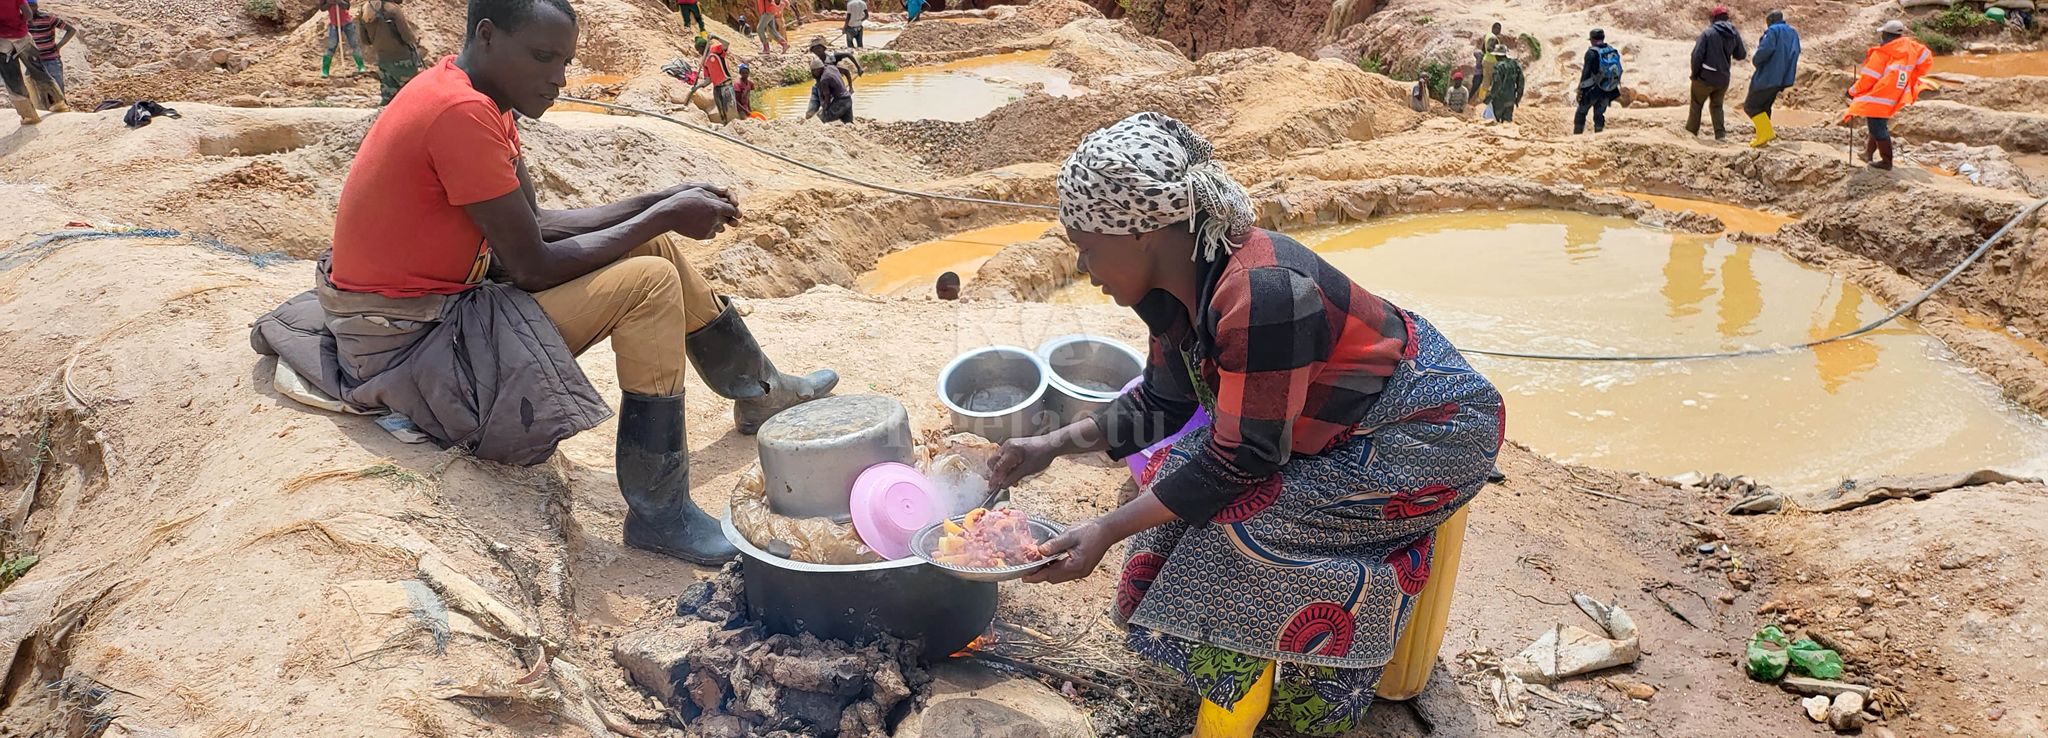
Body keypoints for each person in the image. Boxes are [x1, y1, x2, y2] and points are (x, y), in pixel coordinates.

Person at [249, 0, 839, 565]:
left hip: (441, 310)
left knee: (651, 244)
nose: (557, 77)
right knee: (650, 283)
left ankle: (759, 393)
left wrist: (661, 202)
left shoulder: (479, 96)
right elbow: (530, 265)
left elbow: (534, 225)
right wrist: (663, 214)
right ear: (485, 36)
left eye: (563, 61)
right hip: (412, 345)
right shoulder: (461, 114)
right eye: (541, 57)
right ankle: (659, 513)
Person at [996, 112, 1502, 737]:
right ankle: (1228, 671)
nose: (1083, 264)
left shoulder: (1263, 293)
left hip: (1424, 430)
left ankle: (1298, 698)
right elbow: (1162, 403)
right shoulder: (1174, 293)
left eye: (1089, 245)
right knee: (1170, 477)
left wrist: (1103, 529)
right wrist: (1050, 444)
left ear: (1145, 232)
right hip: (1326, 419)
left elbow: (1243, 461)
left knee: (1234, 535)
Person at [1845, 19, 1931, 171]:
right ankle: (1868, 153)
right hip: (1894, 94)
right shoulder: (1911, 48)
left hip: (1880, 95)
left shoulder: (1883, 53)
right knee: (1877, 125)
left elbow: (1868, 79)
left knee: (1877, 128)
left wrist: (1852, 91)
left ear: (1885, 35)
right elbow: (1926, 60)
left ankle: (1886, 161)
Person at [1687, 6, 1747, 141]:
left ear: (1713, 18)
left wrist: (1695, 74)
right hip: (1723, 78)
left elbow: (1696, 55)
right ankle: (1720, 135)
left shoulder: (1708, 33)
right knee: (1717, 106)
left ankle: (1691, 134)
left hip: (1705, 77)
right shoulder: (1733, 33)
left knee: (1697, 104)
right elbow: (1741, 55)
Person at [1745, 10, 1800, 148]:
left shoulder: (1773, 31)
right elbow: (1795, 52)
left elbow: (1764, 51)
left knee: (1751, 106)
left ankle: (1766, 134)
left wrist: (1756, 60)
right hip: (1782, 78)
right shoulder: (1792, 33)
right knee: (1764, 106)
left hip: (1768, 76)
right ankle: (1762, 137)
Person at [1, 0, 58, 123]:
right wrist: (18, 23)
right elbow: (28, 14)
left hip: (3, 43)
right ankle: (57, 103)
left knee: (13, 79)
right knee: (38, 70)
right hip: (23, 36)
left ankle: (29, 115)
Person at [360, 0, 425, 105]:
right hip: (402, 59)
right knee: (414, 95)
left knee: (388, 100)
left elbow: (365, 40)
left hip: (383, 60)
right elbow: (407, 36)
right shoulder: (392, 9)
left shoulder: (364, 10)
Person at [1575, 28, 1621, 134]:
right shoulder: (1610, 50)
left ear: (1592, 39)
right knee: (1599, 114)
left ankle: (1576, 136)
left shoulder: (1591, 53)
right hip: (1608, 89)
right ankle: (1599, 136)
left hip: (1592, 90)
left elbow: (1586, 73)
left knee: (1581, 112)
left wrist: (1580, 90)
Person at [686, 34, 738, 123]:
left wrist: (715, 37)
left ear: (705, 46)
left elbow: (727, 44)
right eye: (697, 50)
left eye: (700, 49)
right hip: (717, 88)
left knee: (731, 107)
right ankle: (726, 126)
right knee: (722, 110)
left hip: (726, 84)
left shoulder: (716, 50)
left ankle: (737, 124)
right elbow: (708, 80)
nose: (699, 52)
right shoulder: (704, 61)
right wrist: (697, 87)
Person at [24, 0, 72, 93]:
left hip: (51, 61)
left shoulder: (48, 18)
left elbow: (71, 30)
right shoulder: (22, 21)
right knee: (35, 95)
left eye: (32, 6)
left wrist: (59, 46)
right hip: (33, 63)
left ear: (36, 6)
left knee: (57, 93)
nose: (31, 9)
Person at [320, 0, 368, 78]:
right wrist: (330, 3)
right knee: (331, 47)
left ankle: (361, 66)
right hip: (334, 24)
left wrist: (339, 2)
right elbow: (322, 8)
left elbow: (347, 6)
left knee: (354, 44)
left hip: (347, 23)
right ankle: (325, 70)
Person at [803, 55, 852, 123]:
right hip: (848, 99)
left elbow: (827, 97)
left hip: (840, 101)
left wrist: (825, 109)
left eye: (813, 71)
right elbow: (845, 70)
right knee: (848, 123)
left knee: (823, 119)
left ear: (818, 69)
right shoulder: (831, 67)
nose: (813, 73)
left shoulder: (824, 79)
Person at [1486, 50, 1524, 124]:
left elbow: (1496, 84)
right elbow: (1521, 82)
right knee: (1507, 122)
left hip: (1499, 100)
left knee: (1496, 122)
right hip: (1510, 98)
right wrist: (1518, 98)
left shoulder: (1498, 66)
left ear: (1498, 56)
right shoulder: (1515, 64)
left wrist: (1489, 97)